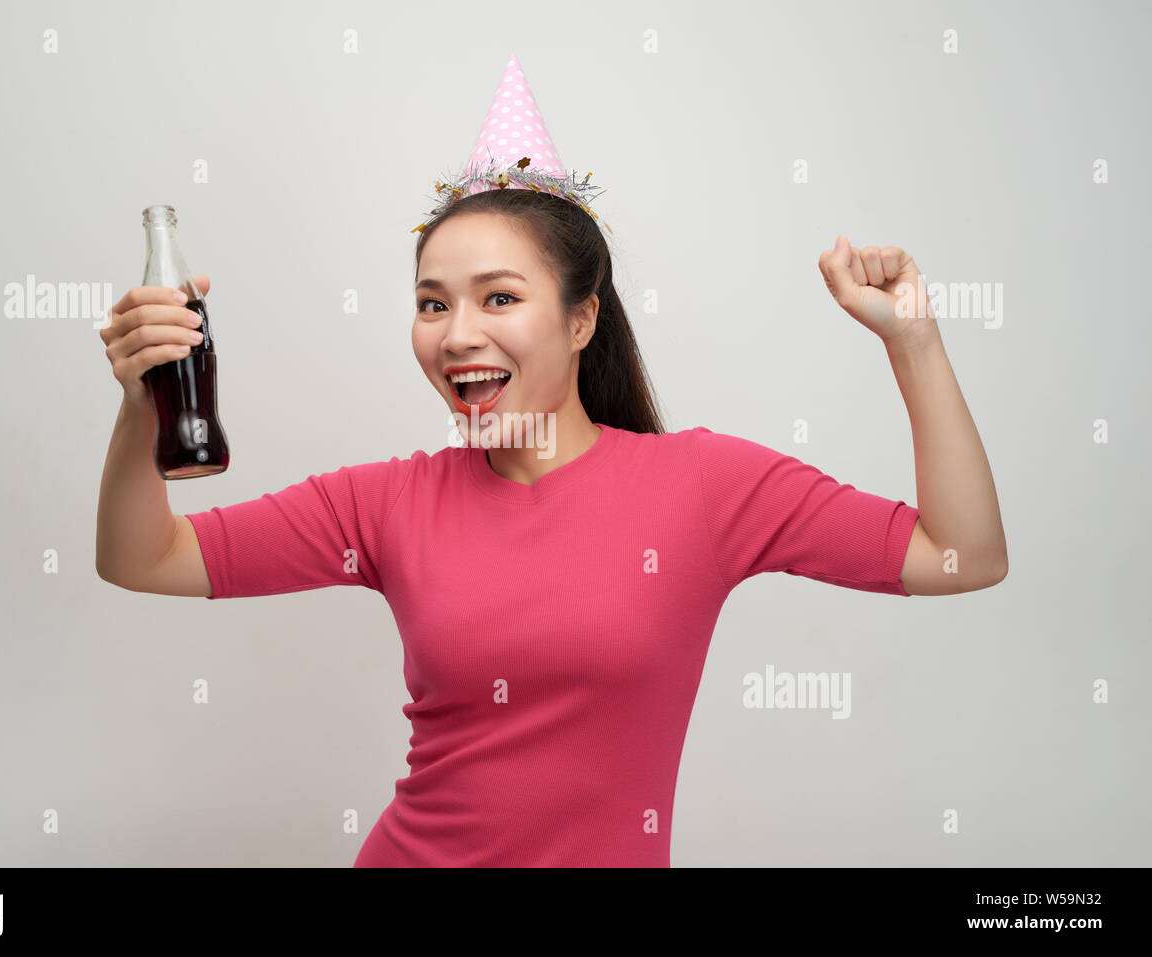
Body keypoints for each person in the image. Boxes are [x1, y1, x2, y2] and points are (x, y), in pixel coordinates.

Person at [95, 57, 1007, 868]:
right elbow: (145, 558)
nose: (458, 336)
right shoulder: (384, 503)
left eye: (499, 296)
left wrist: (914, 343)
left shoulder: (706, 486)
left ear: (580, 320)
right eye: (430, 303)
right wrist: (146, 398)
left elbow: (961, 554)